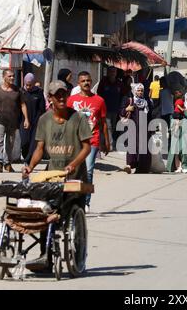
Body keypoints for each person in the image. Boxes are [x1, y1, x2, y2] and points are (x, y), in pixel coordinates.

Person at [22, 81, 92, 270]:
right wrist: (30, 166)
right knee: (46, 213)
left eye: (64, 94)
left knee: (75, 216)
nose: (61, 98)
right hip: (53, 178)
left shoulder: (78, 118)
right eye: (57, 95)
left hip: (76, 178)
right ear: (50, 98)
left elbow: (87, 147)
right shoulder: (44, 120)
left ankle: (78, 258)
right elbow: (39, 149)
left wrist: (73, 164)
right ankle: (46, 256)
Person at [67, 71, 111, 211]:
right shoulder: (71, 100)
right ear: (78, 83)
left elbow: (103, 123)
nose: (86, 83)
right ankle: (72, 199)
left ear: (91, 82)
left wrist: (106, 141)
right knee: (72, 171)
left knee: (89, 171)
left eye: (88, 80)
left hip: (92, 140)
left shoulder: (100, 100)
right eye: (83, 81)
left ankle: (86, 202)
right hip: (74, 141)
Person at [0, 69, 30, 173]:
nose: (12, 78)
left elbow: (23, 105)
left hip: (13, 122)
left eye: (13, 76)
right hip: (0, 120)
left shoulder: (18, 91)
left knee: (10, 143)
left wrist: (26, 119)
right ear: (4, 77)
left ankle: (7, 163)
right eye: (9, 76)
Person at [120, 83, 154, 174]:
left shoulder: (147, 101)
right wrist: (127, 109)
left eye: (141, 90)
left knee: (144, 147)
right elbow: (121, 112)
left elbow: (151, 115)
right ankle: (130, 165)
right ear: (134, 91)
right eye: (138, 90)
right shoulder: (130, 100)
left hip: (144, 128)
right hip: (133, 126)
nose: (140, 92)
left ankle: (142, 167)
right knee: (132, 145)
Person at [20, 73, 46, 166]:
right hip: (24, 121)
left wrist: (41, 120)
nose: (28, 86)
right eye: (27, 84)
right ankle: (25, 156)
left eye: (30, 84)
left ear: (34, 83)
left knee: (33, 143)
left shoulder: (38, 92)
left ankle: (28, 160)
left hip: (36, 121)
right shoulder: (21, 91)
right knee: (24, 142)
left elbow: (42, 108)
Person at [97, 66, 124, 149]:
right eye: (111, 71)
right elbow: (99, 94)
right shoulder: (103, 81)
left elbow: (122, 95)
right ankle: (110, 144)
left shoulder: (119, 83)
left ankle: (106, 142)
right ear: (108, 72)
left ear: (116, 73)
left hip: (115, 109)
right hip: (105, 109)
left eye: (114, 71)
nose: (112, 73)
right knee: (107, 126)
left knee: (112, 126)